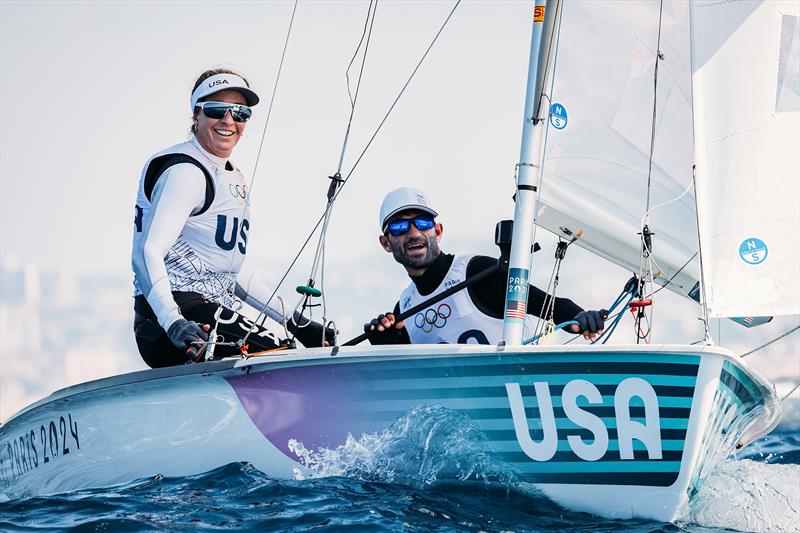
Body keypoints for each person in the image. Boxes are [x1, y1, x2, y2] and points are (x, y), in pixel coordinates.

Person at [132, 68, 332, 368]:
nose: (229, 120)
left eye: (240, 113)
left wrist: (295, 321)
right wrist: (173, 322)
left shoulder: (228, 174)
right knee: (281, 358)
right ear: (196, 116)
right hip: (171, 316)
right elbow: (147, 251)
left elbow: (230, 272)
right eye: (216, 110)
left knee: (287, 349)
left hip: (203, 307)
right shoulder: (187, 172)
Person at [364, 187, 607, 345]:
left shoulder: (477, 272)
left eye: (423, 222)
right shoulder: (405, 306)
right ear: (386, 243)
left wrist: (580, 317)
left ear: (437, 231)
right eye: (399, 227)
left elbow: (550, 306)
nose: (414, 233)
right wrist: (385, 342)